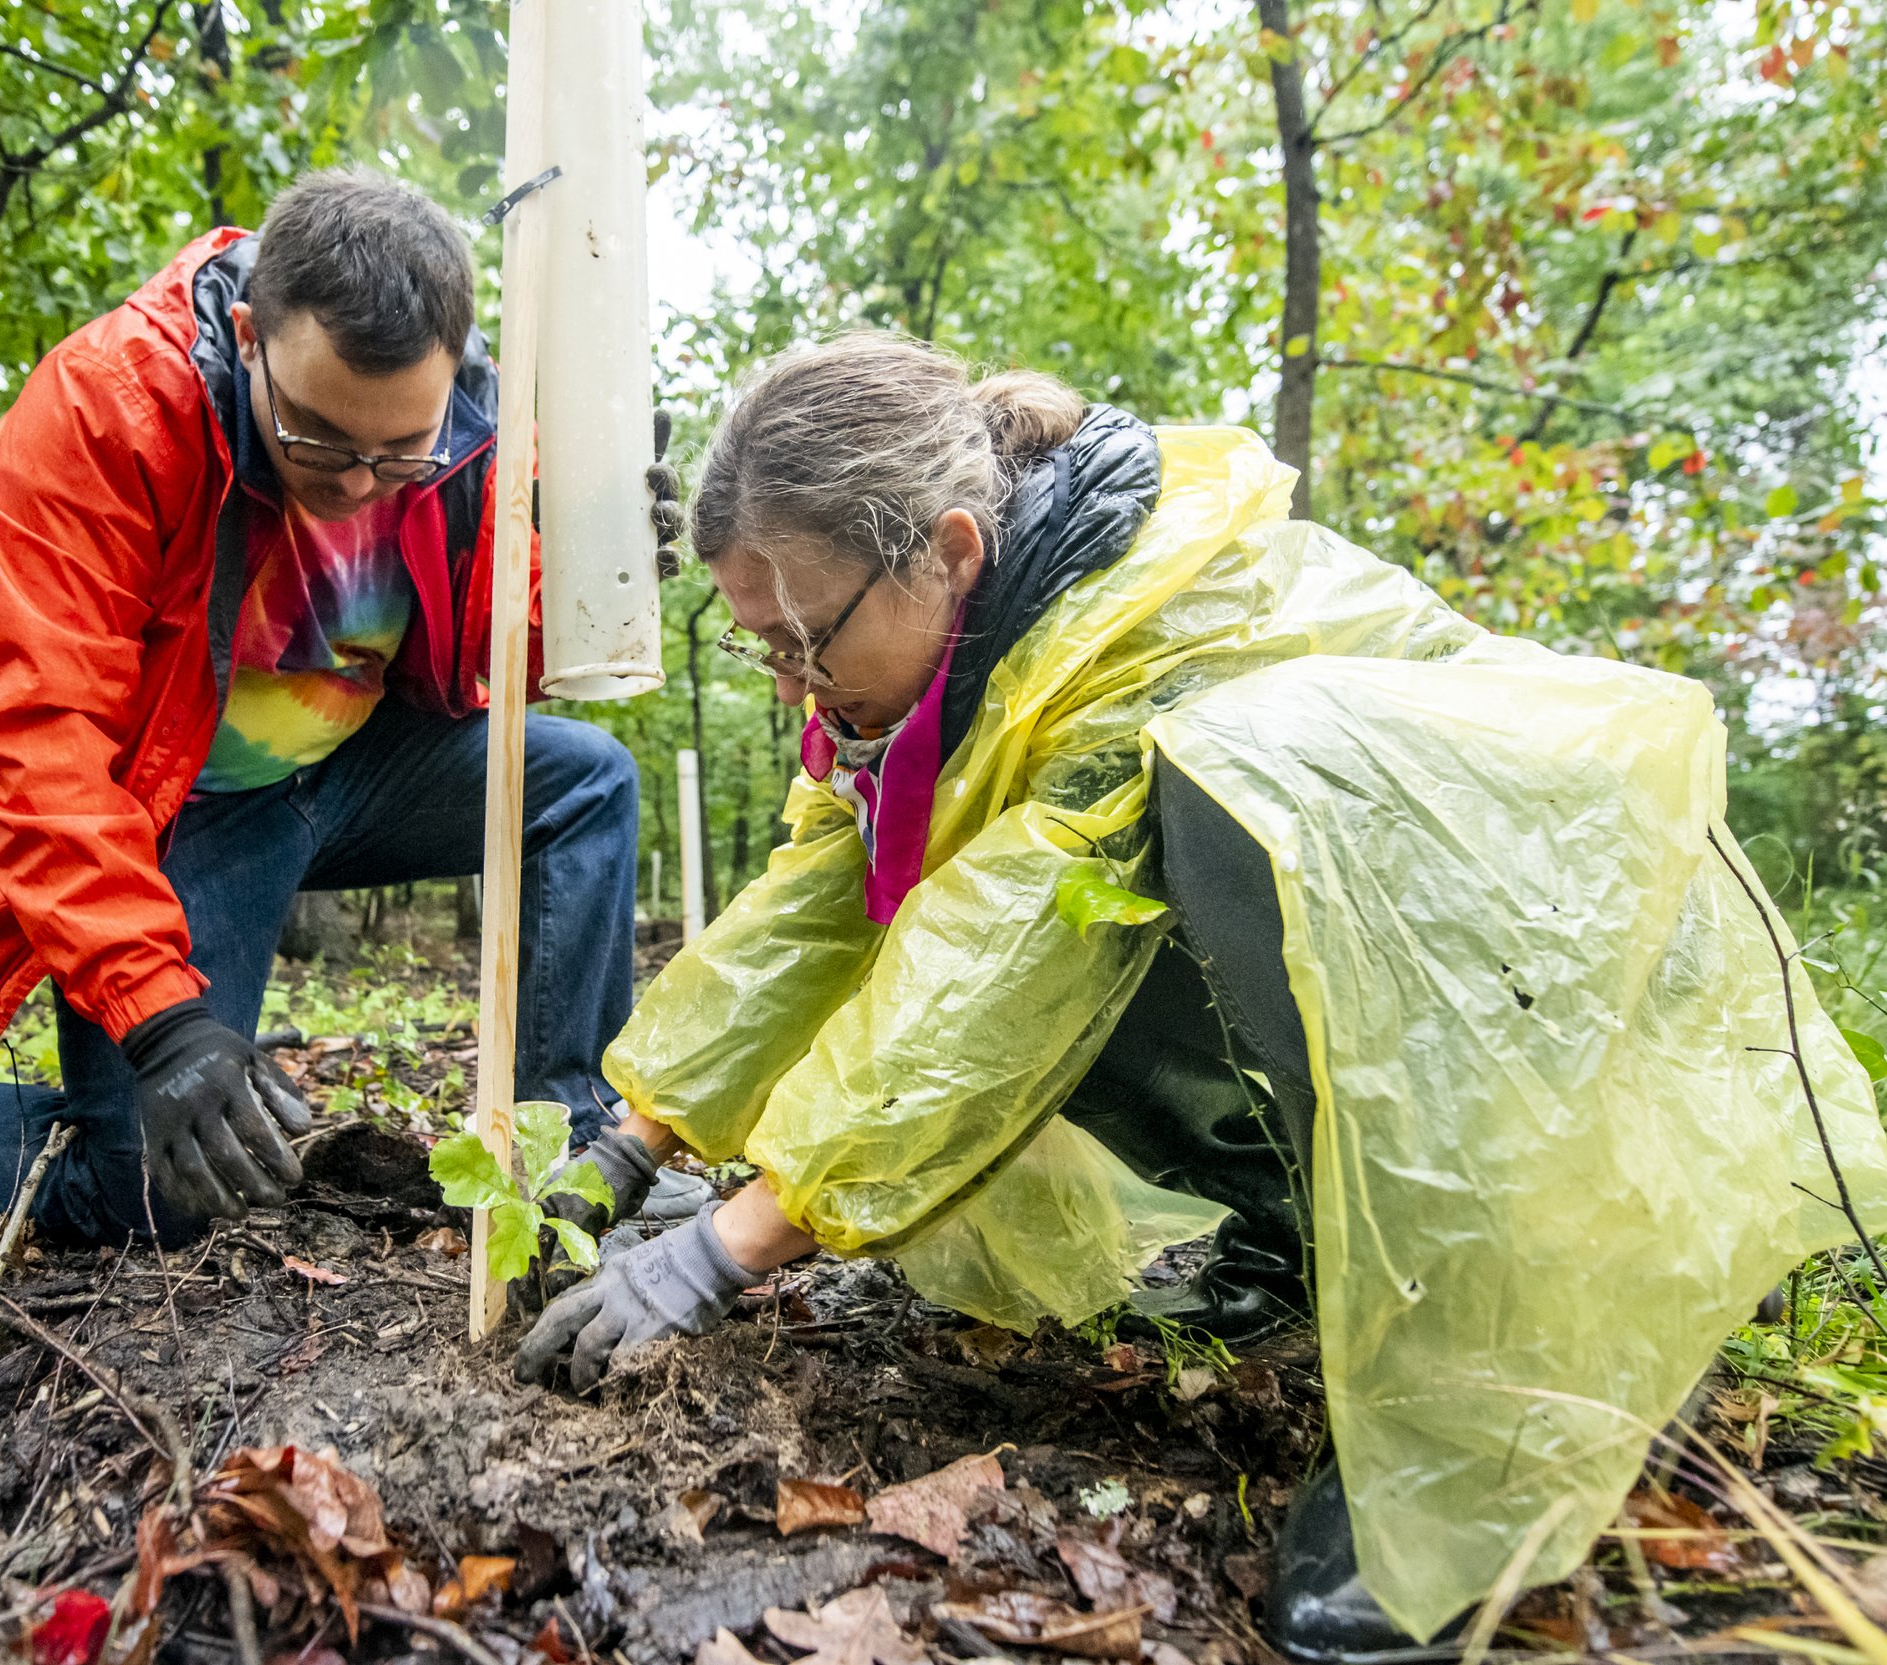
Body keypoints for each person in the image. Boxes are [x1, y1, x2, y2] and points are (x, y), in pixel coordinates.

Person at [512, 333, 1887, 1658]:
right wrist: (638, 1138)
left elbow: (1000, 972)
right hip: (1443, 997)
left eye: (807, 638)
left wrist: (725, 1248)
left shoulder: (1151, 628)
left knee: (1219, 786)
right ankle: (1308, 1238)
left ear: (948, 551)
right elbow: (819, 906)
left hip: (1555, 1003)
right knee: (1036, 881)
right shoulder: (943, 678)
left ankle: (1483, 1397)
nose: (790, 683)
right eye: (766, 647)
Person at [0, 170, 672, 1246]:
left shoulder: (470, 434)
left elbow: (495, 647)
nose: (361, 484)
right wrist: (164, 1026)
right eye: (317, 440)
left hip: (356, 768)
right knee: (152, 1197)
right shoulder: (102, 412)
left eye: (398, 452)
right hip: (178, 809)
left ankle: (573, 1139)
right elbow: (40, 743)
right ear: (253, 333)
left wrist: (605, 574)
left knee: (584, 782)